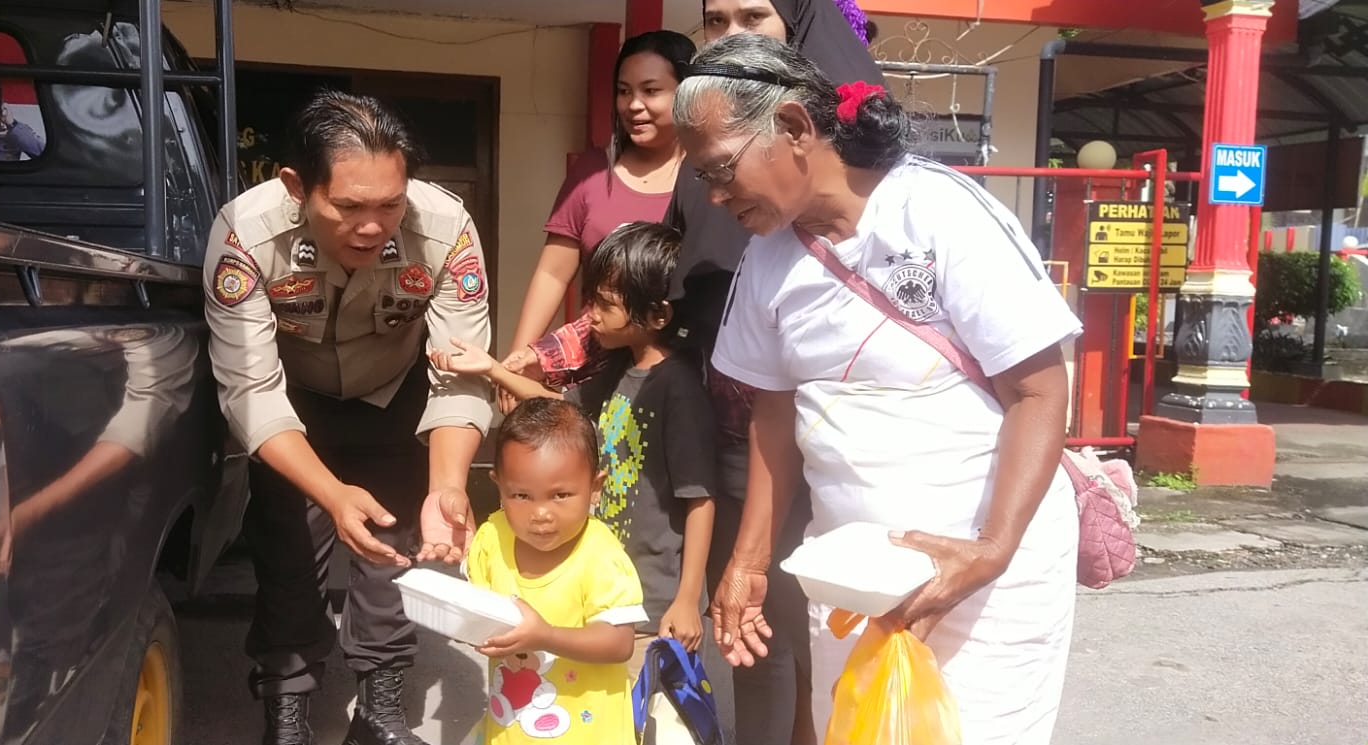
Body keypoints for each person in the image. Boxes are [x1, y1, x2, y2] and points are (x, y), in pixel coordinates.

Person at [681, 34, 1082, 745]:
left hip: (988, 572)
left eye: (721, 169)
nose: (715, 195)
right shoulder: (767, 261)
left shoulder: (939, 212)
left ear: (797, 129)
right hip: (854, 576)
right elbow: (774, 415)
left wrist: (989, 550)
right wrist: (747, 562)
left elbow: (1040, 392)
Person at [506, 2, 884, 743]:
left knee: (836, 630)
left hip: (839, 444)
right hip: (738, 434)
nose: (732, 35)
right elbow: (657, 297)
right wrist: (545, 353)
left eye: (755, 15)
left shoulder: (867, 175)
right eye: (715, 21)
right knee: (759, 632)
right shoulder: (705, 176)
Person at [201, 90, 492, 745]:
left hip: (394, 402)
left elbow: (460, 370)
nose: (372, 226)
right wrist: (329, 493)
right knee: (288, 560)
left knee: (392, 557)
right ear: (296, 185)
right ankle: (288, 710)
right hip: (291, 414)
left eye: (389, 204)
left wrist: (449, 484)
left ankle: (381, 713)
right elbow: (249, 388)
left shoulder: (445, 228)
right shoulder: (245, 232)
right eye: (349, 207)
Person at [431, 222, 718, 680]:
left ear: (658, 315)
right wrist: (491, 369)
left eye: (605, 304)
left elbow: (699, 498)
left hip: (653, 600)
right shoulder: (622, 370)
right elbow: (558, 407)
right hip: (605, 586)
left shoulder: (678, 389)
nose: (592, 316)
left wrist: (687, 600)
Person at [508, 30, 696, 379]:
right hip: (594, 367)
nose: (633, 104)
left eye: (651, 91)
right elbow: (552, 273)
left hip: (679, 373)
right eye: (624, 91)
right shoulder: (592, 173)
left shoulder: (706, 177)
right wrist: (519, 359)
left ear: (686, 92)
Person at [463, 398, 648, 745]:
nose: (541, 513)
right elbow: (477, 612)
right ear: (498, 485)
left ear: (595, 488)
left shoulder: (601, 555)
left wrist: (545, 636)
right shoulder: (491, 538)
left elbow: (619, 642)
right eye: (521, 495)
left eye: (560, 495)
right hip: (509, 731)